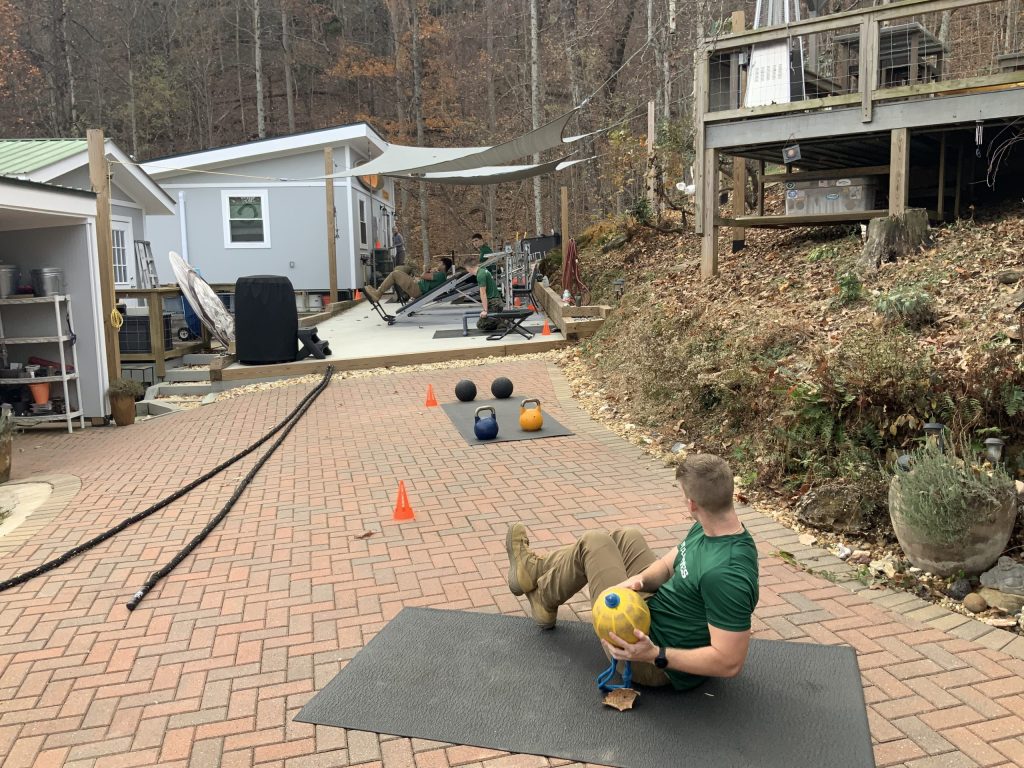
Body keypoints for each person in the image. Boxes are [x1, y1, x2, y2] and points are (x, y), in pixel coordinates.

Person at [505, 453, 759, 691]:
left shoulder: (726, 575)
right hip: (654, 609)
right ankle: (534, 570)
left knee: (594, 542)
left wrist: (653, 655)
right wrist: (640, 580)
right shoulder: (711, 525)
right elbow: (669, 563)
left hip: (648, 657)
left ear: (692, 504)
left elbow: (728, 662)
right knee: (627, 536)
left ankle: (542, 597)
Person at [364, 257, 452, 303]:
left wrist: (426, 269)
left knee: (395, 274)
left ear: (444, 266)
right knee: (399, 271)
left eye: (440, 263)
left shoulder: (441, 275)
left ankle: (378, 294)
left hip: (416, 289)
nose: (437, 264)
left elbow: (423, 276)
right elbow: (425, 278)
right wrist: (431, 271)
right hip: (417, 286)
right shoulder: (441, 275)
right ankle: (378, 291)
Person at [462, 256, 504, 331]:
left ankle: (503, 321)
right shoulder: (483, 269)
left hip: (494, 303)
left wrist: (485, 310)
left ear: (469, 268)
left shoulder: (480, 275)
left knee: (481, 325)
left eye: (467, 270)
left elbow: (483, 293)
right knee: (484, 322)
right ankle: (499, 320)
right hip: (497, 302)